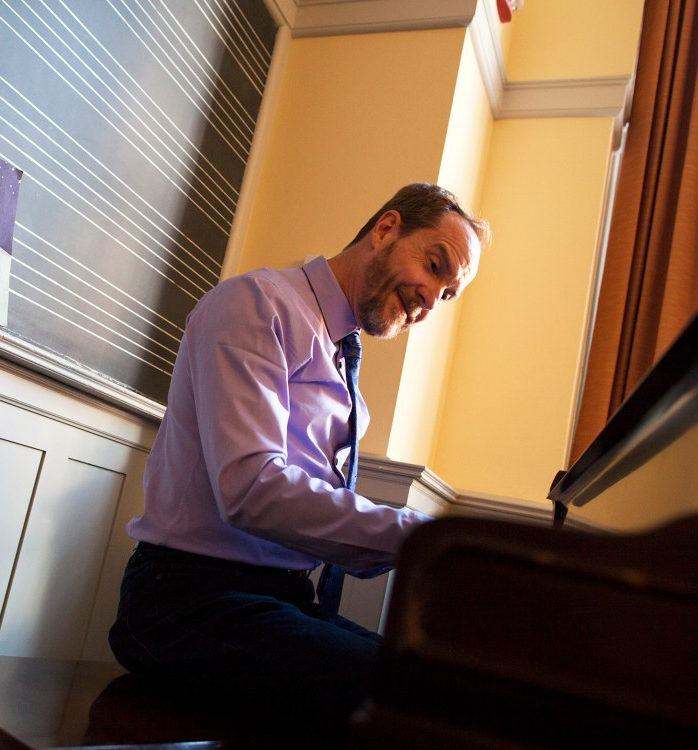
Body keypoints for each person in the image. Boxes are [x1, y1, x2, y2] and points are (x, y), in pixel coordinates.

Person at [108, 183, 488, 742]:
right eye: (435, 266)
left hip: (278, 599)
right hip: (183, 603)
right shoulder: (256, 304)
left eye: (447, 295)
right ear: (386, 228)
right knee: (419, 701)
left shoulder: (341, 359)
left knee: (449, 687)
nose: (431, 300)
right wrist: (424, 539)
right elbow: (251, 488)